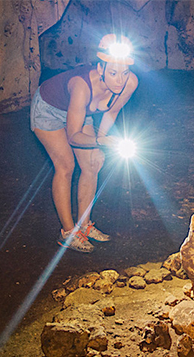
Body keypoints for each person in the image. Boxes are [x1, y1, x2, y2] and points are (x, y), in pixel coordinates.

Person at [30, 34, 138, 253]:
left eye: (124, 73)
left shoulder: (130, 83)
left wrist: (100, 145)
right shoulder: (82, 87)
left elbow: (112, 111)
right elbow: (73, 136)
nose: (120, 80)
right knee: (66, 165)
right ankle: (68, 233)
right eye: (113, 73)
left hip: (79, 113)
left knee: (92, 163)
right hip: (48, 110)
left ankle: (84, 225)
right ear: (100, 69)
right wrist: (100, 140)